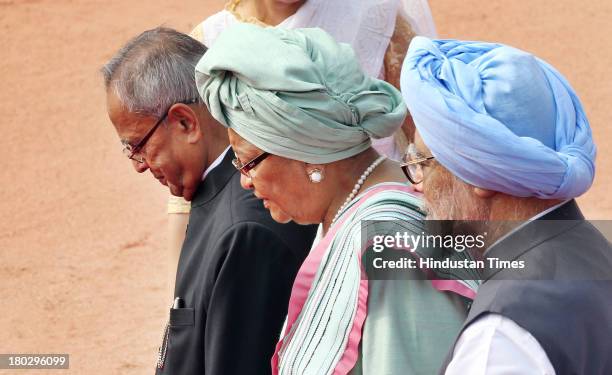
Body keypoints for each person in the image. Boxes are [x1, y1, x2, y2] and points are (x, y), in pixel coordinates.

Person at [196, 23, 476, 374]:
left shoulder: (387, 244)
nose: (244, 181)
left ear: (308, 151)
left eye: (249, 162)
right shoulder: (346, 213)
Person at [167, 0, 439, 293]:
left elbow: (428, 138)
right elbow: (194, 190)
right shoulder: (209, 42)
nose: (244, 179)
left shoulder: (375, 11)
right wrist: (182, 302)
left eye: (248, 163)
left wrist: (446, 245)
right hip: (268, 259)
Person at [101, 27, 316, 374]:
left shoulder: (245, 231)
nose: (139, 165)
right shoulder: (215, 190)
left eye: (139, 145)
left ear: (185, 122)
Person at [400, 37, 612, 374]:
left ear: (480, 179)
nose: (417, 184)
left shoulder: (501, 338)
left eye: (423, 162)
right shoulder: (597, 252)